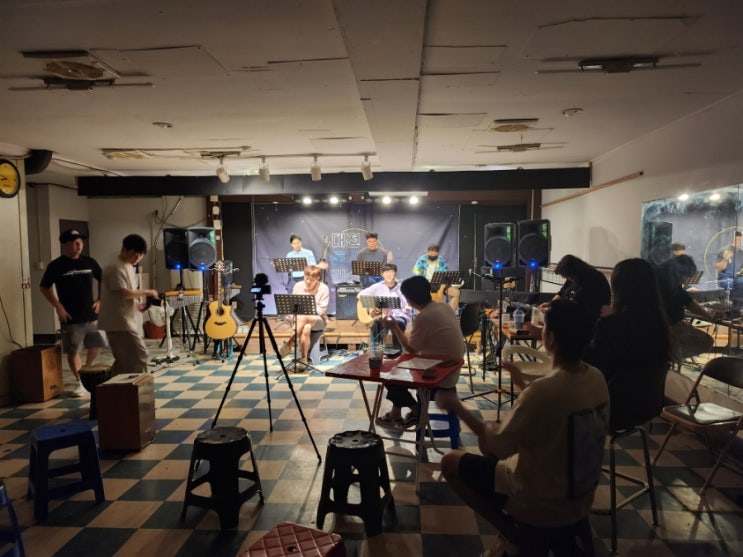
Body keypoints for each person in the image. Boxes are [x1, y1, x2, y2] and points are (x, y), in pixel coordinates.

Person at [437, 300, 610, 556]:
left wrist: (457, 407)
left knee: (451, 462)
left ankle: (512, 534)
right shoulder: (596, 377)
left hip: (542, 499)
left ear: (550, 338)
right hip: (579, 491)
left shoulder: (544, 390)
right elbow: (557, 409)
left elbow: (496, 445)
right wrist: (522, 385)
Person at [376, 275, 465, 429]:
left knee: (389, 375)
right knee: (399, 368)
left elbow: (411, 350)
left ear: (409, 300)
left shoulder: (424, 316)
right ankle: (395, 414)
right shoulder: (443, 307)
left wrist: (395, 327)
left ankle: (416, 409)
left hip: (439, 374)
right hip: (452, 368)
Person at [583, 258, 672, 384]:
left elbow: (593, 361)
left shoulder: (612, 325)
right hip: (647, 395)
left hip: (610, 393)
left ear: (618, 287)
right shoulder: (660, 324)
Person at [39, 229, 105, 397]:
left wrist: (100, 300)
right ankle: (79, 381)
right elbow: (44, 287)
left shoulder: (89, 262)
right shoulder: (56, 265)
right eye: (75, 242)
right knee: (73, 350)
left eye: (80, 242)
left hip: (90, 312)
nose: (79, 245)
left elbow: (103, 279)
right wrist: (58, 306)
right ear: (65, 245)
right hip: (70, 315)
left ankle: (87, 370)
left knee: (96, 344)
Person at [98, 234, 159, 375]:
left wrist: (137, 304)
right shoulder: (115, 267)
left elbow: (127, 292)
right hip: (117, 322)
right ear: (125, 250)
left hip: (126, 320)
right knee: (139, 355)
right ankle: (135, 384)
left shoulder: (128, 266)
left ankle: (119, 385)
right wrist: (147, 292)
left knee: (127, 359)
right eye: (135, 255)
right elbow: (124, 292)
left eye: (140, 256)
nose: (137, 259)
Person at [655, 254, 719, 361]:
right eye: (686, 277)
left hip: (656, 326)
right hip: (669, 326)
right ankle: (670, 356)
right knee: (707, 342)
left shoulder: (659, 274)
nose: (685, 280)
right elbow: (688, 303)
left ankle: (669, 357)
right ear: (682, 272)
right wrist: (708, 314)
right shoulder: (670, 282)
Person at [279, 265, 330, 372]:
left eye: (311, 279)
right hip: (301, 320)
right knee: (306, 327)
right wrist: (290, 315)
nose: (308, 281)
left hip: (318, 319)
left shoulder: (324, 288)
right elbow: (293, 306)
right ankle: (304, 359)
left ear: (318, 278)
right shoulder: (298, 286)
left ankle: (289, 344)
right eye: (306, 278)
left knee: (304, 316)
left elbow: (321, 310)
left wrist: (307, 309)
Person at [541, 254, 611, 327]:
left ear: (573, 272)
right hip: (574, 315)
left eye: (568, 277)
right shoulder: (574, 276)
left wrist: (552, 310)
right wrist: (551, 304)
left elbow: (576, 308)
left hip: (590, 323)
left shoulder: (592, 282)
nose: (568, 279)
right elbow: (562, 292)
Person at [357, 263, 411, 354]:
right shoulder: (377, 286)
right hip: (383, 315)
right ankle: (376, 351)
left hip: (399, 316)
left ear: (395, 273)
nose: (390, 274)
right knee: (376, 324)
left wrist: (407, 308)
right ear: (382, 274)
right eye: (387, 272)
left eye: (392, 272)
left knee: (397, 323)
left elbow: (408, 305)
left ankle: (396, 352)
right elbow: (360, 295)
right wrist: (373, 307)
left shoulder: (402, 288)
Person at [412, 243, 461, 311]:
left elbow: (444, 277)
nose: (432, 255)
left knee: (456, 292)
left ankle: (449, 313)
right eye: (431, 253)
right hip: (425, 283)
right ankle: (422, 315)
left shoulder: (441, 261)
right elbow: (416, 272)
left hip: (438, 284)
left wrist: (441, 290)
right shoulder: (422, 260)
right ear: (427, 252)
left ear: (437, 253)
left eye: (434, 254)